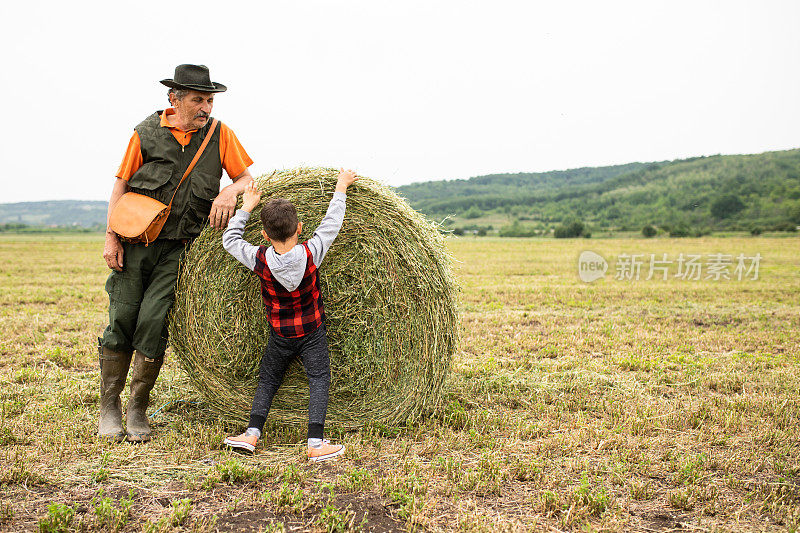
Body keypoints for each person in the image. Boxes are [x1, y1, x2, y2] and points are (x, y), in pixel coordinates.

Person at [99, 64, 254, 442]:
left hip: (179, 251)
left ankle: (137, 408)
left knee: (154, 323)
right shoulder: (146, 132)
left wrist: (228, 192)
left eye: (210, 100)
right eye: (198, 100)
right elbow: (120, 185)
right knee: (122, 319)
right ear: (174, 99)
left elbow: (248, 179)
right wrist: (111, 237)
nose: (206, 108)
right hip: (135, 244)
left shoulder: (221, 135)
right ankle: (109, 408)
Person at [221, 169, 357, 462]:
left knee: (268, 380)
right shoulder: (312, 251)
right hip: (312, 331)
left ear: (264, 234)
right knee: (319, 378)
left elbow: (230, 240)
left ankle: (252, 434)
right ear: (300, 227)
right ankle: (316, 443)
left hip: (280, 334)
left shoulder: (259, 258)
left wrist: (246, 207)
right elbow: (332, 222)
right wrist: (341, 186)